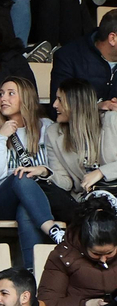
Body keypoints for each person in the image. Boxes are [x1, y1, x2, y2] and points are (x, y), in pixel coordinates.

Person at [0, 76, 66, 264]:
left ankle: (32, 271)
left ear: (26, 97)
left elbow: (59, 169)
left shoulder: (46, 126)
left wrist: (43, 170)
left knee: (26, 208)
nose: (4, 98)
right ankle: (52, 229)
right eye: (1, 94)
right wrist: (0, 137)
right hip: (2, 199)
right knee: (20, 176)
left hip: (38, 199)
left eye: (11, 93)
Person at [44, 78, 117, 223]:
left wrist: (101, 172)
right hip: (85, 202)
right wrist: (46, 173)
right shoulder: (52, 133)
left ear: (76, 103)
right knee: (38, 188)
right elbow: (66, 183)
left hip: (113, 195)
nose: (54, 105)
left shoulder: (112, 121)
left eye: (60, 100)